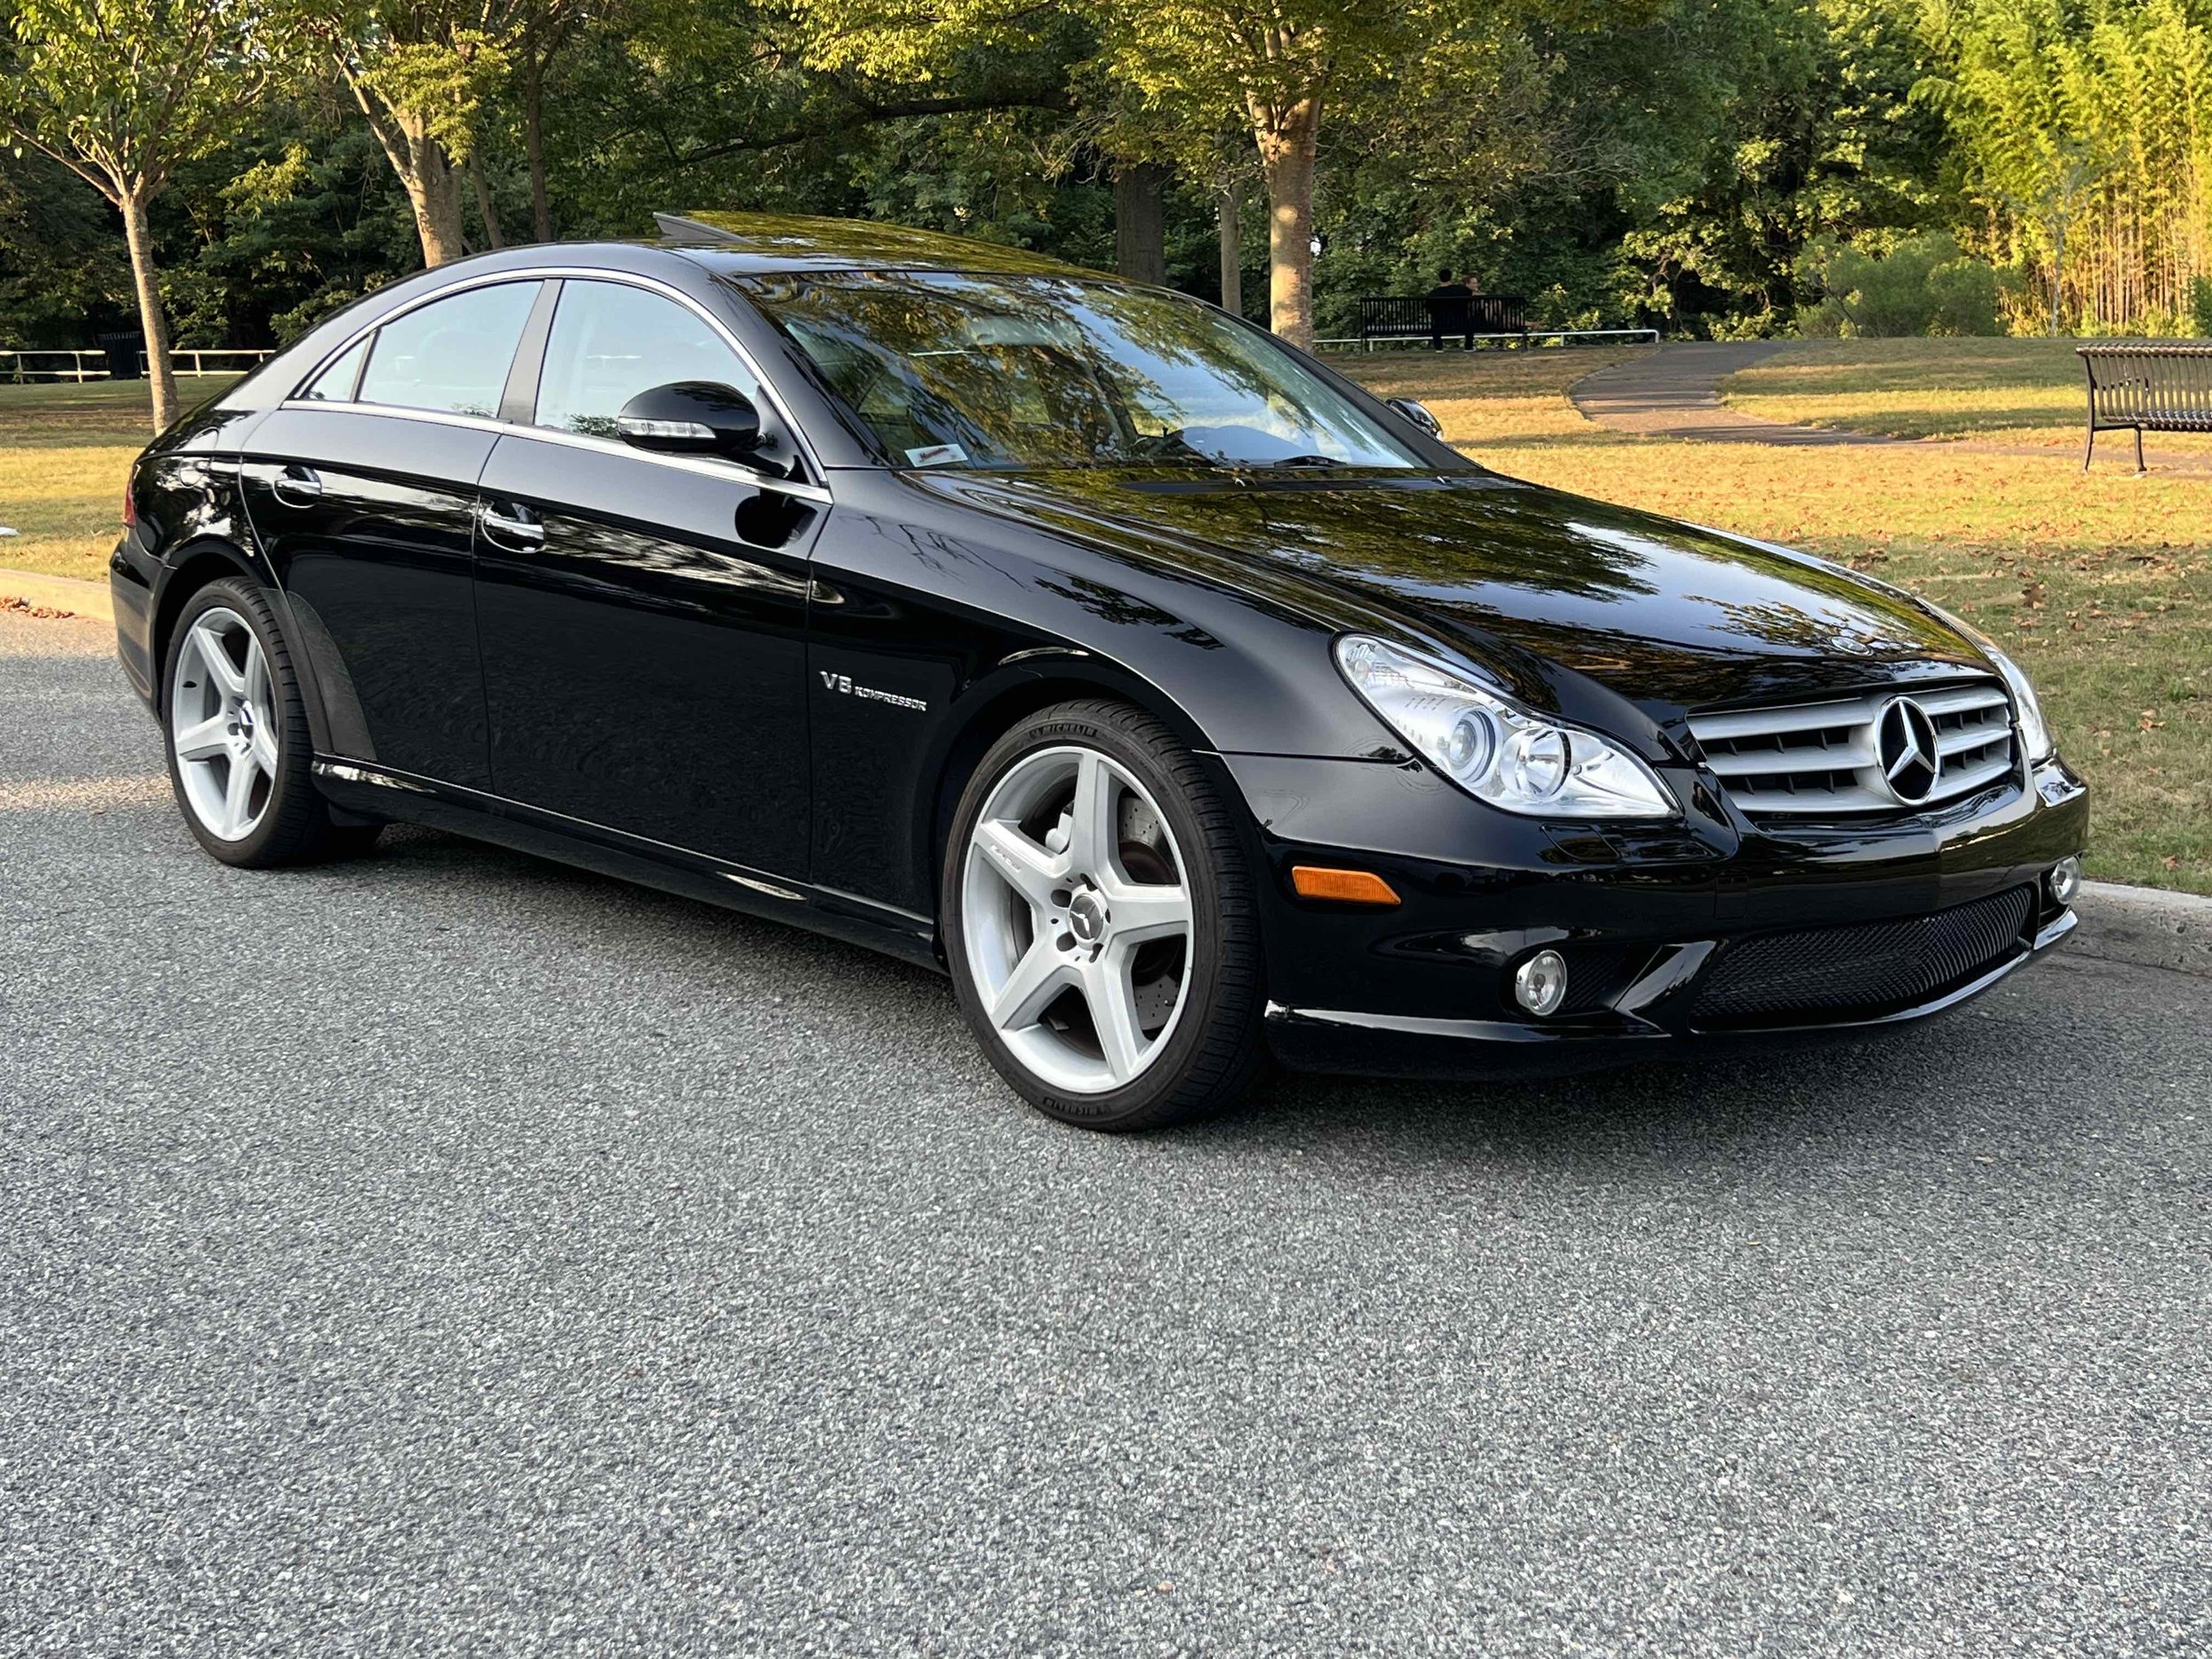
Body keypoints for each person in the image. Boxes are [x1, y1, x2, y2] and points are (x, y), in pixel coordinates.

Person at [1427, 267, 1471, 349]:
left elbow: (1430, 310)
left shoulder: (1433, 294)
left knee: (1435, 324)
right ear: (1451, 277)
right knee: (1470, 322)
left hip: (1440, 324)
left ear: (1439, 278)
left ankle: (1439, 348)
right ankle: (1469, 346)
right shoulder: (1462, 290)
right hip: (1461, 323)